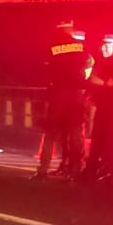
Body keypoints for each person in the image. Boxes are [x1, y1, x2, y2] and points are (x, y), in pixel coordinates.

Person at [32, 21, 91, 181]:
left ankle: (43, 170)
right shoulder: (79, 46)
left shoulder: (52, 46)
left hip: (58, 93)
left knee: (51, 132)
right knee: (75, 132)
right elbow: (86, 66)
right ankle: (75, 169)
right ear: (69, 29)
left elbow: (46, 69)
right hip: (77, 93)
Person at [83, 34, 113, 182]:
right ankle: (93, 169)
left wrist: (101, 82)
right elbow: (92, 78)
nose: (105, 48)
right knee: (97, 138)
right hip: (102, 105)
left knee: (110, 139)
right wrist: (102, 83)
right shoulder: (101, 62)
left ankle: (109, 169)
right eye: (104, 45)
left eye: (109, 45)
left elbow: (110, 83)